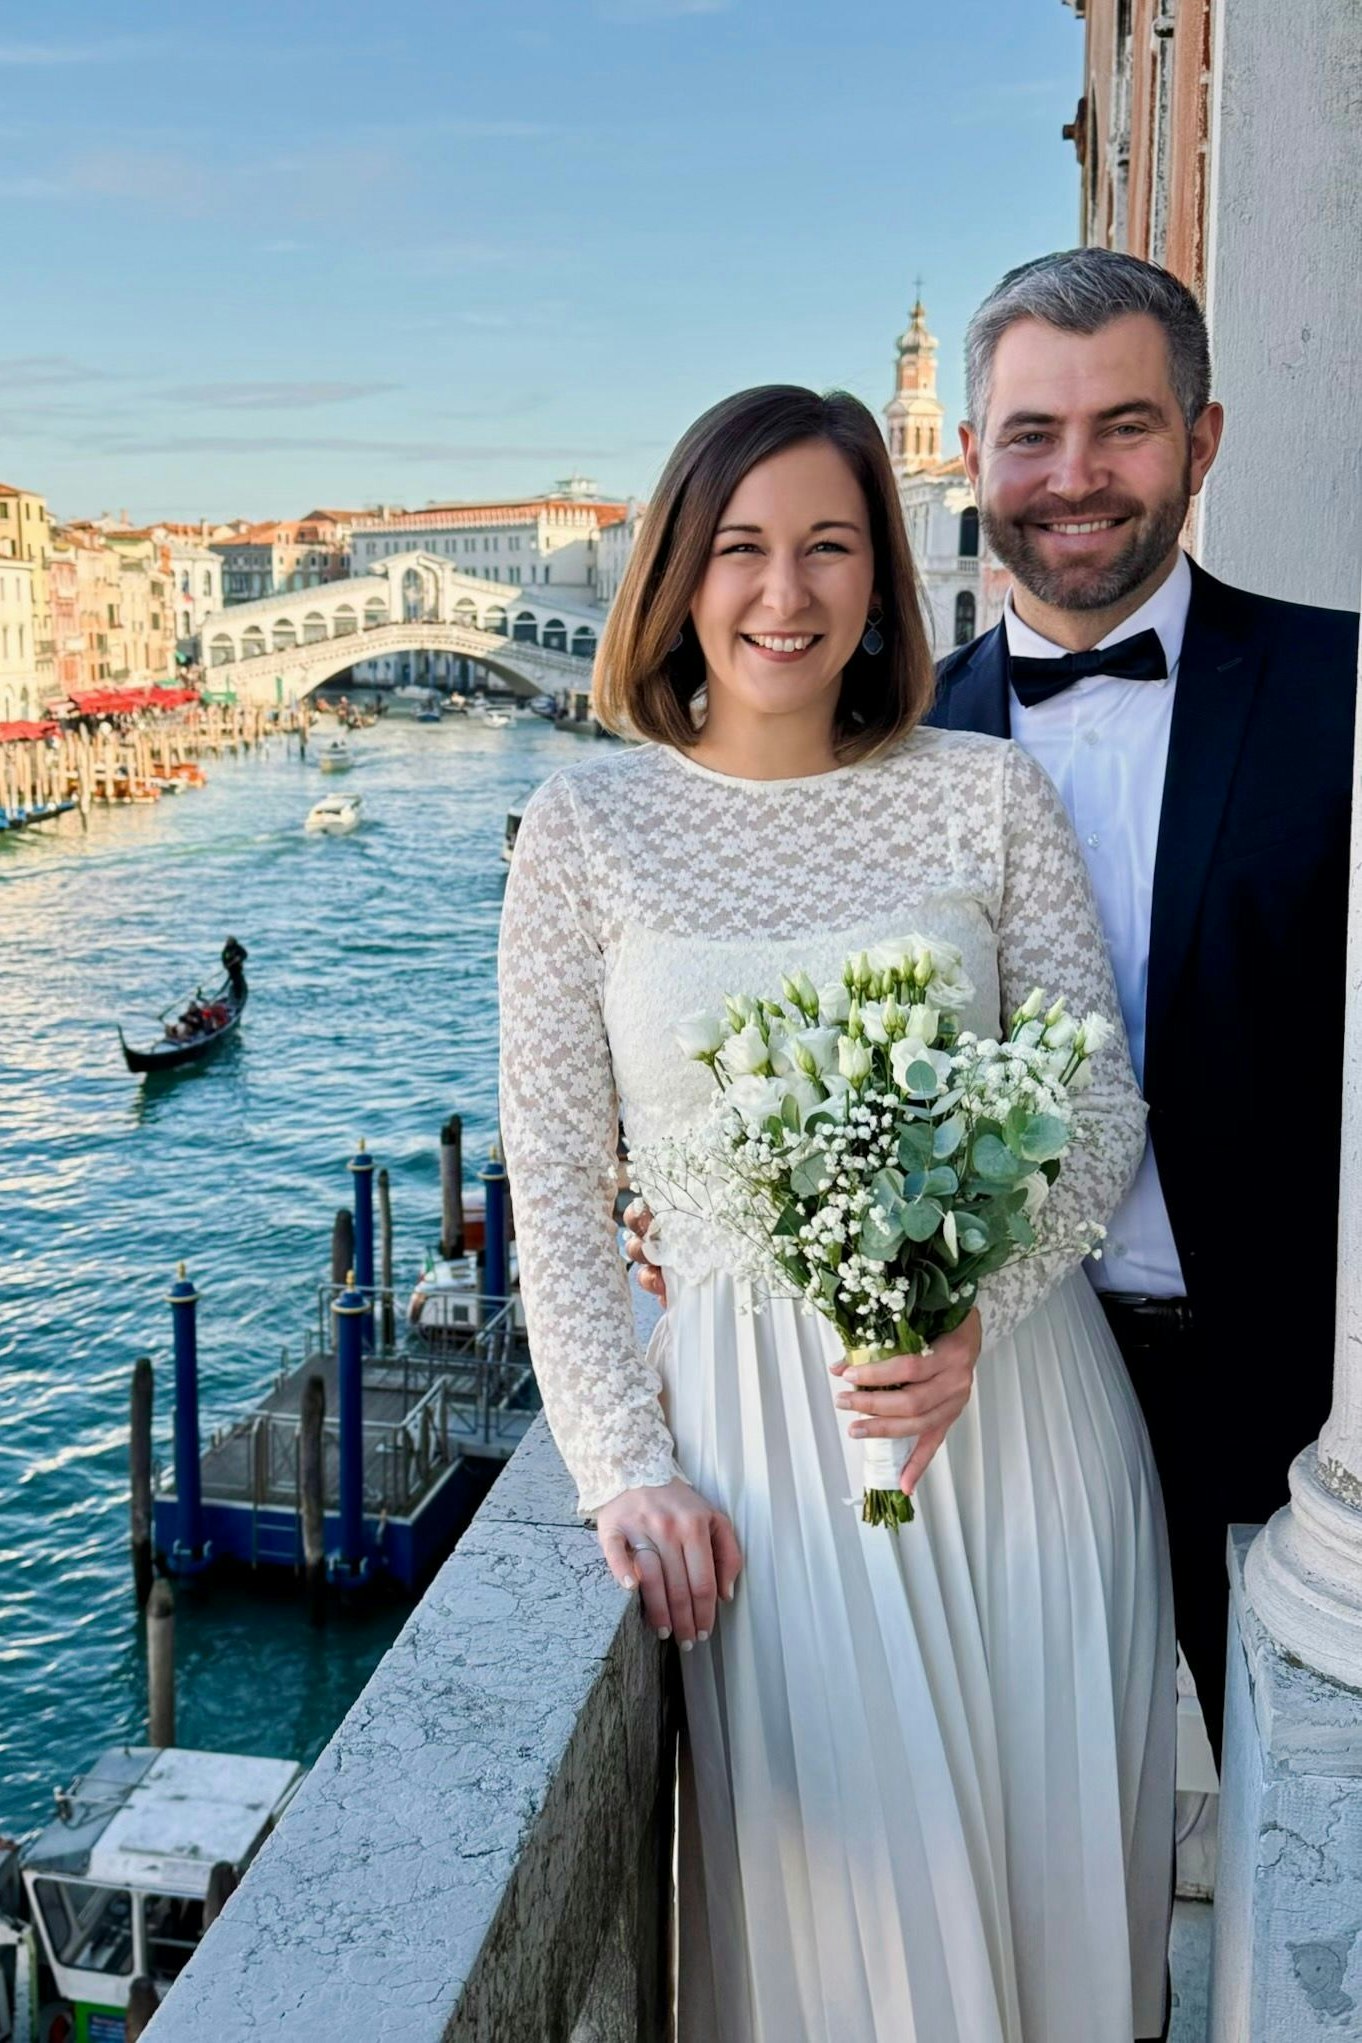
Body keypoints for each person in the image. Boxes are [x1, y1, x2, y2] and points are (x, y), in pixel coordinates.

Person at [499, 386, 1176, 2042]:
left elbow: (1094, 1108)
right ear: (675, 574)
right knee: (848, 1964)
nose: (782, 594)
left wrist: (970, 1317)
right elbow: (557, 1190)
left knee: (1048, 1926)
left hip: (1016, 1421)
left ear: (884, 575)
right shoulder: (582, 830)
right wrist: (623, 1468)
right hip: (757, 1462)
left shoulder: (981, 795)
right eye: (738, 548)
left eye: (827, 546)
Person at [628, 249, 1359, 1770]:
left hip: (1292, 1396)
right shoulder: (876, 747)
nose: (1072, 477)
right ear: (968, 459)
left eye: (1125, 428)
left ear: (1202, 445)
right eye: (1029, 434)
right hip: (977, 1403)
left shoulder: (1336, 689)